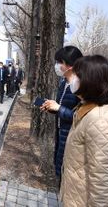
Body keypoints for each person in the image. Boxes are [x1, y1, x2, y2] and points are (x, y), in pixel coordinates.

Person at [60, 55, 108, 206]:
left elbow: (103, 187)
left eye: (77, 75)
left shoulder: (103, 121)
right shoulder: (88, 109)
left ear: (92, 81)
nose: (73, 79)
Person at [40, 46, 82, 182]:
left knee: (66, 174)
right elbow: (62, 108)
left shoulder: (80, 86)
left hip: (72, 137)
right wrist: (52, 108)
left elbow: (81, 117)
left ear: (70, 65)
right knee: (59, 170)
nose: (57, 65)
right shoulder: (63, 82)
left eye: (60, 62)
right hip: (60, 133)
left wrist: (59, 108)